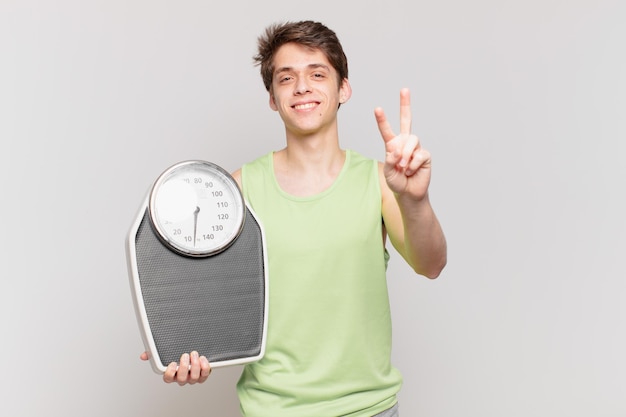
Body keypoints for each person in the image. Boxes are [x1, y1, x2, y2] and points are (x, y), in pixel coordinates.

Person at [140, 20, 447, 417]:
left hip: (368, 409)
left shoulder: (381, 182)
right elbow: (202, 293)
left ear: (343, 89)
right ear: (273, 97)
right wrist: (180, 346)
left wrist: (416, 199)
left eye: (317, 74)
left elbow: (432, 264)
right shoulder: (238, 189)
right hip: (272, 409)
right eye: (287, 78)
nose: (302, 87)